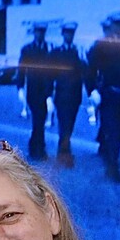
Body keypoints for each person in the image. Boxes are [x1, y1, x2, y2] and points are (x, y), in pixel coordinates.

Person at [86, 12, 120, 183]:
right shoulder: (101, 45)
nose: (119, 28)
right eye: (117, 25)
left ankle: (108, 153)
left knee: (119, 129)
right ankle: (113, 167)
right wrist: (92, 90)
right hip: (109, 94)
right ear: (111, 26)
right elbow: (90, 70)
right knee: (114, 130)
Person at [14, 21, 54, 161]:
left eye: (42, 32)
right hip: (33, 90)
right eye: (38, 32)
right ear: (34, 33)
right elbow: (21, 69)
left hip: (46, 90)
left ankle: (35, 147)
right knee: (38, 119)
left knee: (40, 119)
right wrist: (20, 86)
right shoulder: (28, 49)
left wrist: (52, 88)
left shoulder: (49, 48)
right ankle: (39, 149)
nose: (40, 34)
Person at [48, 21, 86, 168]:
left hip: (75, 97)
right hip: (62, 96)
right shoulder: (56, 53)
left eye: (71, 33)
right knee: (64, 125)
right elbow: (50, 75)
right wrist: (49, 95)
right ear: (63, 34)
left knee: (69, 126)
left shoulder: (77, 52)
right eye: (67, 33)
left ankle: (63, 151)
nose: (69, 35)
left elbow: (84, 72)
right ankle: (64, 154)